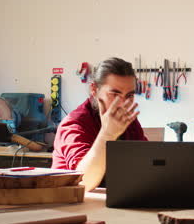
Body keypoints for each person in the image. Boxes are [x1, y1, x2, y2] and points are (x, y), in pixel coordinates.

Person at [52, 57, 147, 191]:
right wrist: (107, 134)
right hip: (71, 207)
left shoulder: (127, 121)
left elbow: (146, 165)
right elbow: (84, 183)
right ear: (94, 89)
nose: (122, 104)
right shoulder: (74, 123)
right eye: (115, 94)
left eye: (129, 95)